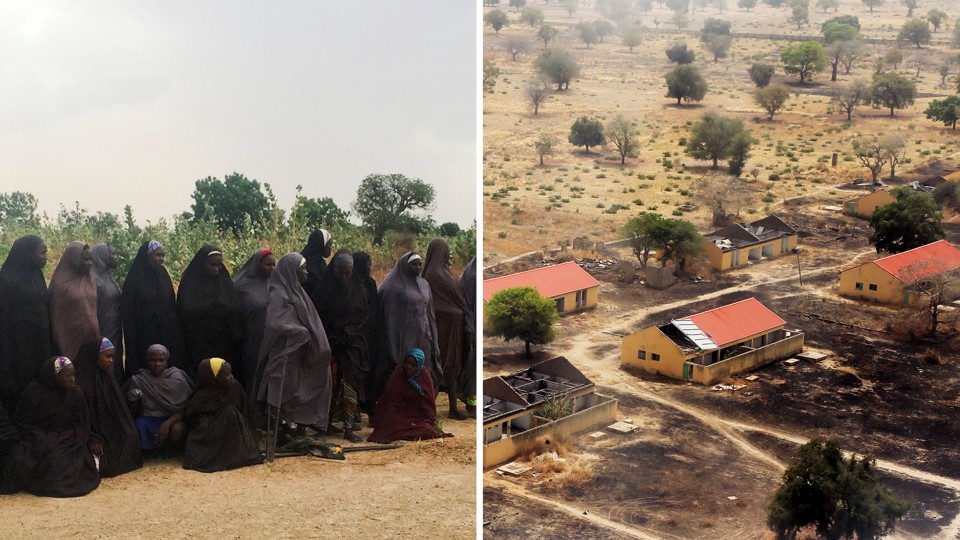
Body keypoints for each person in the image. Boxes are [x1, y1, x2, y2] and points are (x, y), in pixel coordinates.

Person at [256, 253, 332, 433]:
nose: (306, 273)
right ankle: (285, 428)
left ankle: (298, 423)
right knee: (288, 392)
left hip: (301, 353)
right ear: (291, 271)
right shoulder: (278, 294)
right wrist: (300, 332)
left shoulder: (297, 290)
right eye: (302, 269)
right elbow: (275, 323)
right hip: (286, 354)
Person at [3, 357, 100, 497]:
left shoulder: (75, 393)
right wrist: (42, 438)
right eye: (68, 375)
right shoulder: (34, 393)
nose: (72, 379)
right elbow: (22, 423)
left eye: (74, 375)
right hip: (37, 437)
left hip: (67, 437)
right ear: (55, 376)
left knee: (58, 461)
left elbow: (82, 422)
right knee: (20, 459)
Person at [369, 252, 441, 415]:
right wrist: (392, 342)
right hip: (402, 337)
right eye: (413, 264)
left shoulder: (424, 284)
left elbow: (429, 312)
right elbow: (388, 316)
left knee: (421, 372)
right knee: (401, 372)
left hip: (422, 335)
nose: (417, 268)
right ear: (404, 265)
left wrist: (431, 336)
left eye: (419, 264)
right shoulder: (393, 287)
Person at [316, 250, 369, 442]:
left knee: (350, 385)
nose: (344, 277)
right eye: (341, 273)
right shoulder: (325, 291)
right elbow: (320, 318)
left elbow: (363, 316)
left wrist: (351, 332)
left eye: (348, 273)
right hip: (331, 344)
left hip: (352, 345)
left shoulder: (359, 290)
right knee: (330, 385)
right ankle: (325, 424)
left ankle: (348, 426)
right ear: (334, 270)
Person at [74, 337, 142, 477]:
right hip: (89, 432)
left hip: (107, 427)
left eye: (113, 357)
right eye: (107, 357)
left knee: (130, 436)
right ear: (94, 356)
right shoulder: (79, 382)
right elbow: (76, 416)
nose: (111, 361)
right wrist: (91, 437)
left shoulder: (107, 376)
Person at [0, 235, 52, 413]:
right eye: (42, 252)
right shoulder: (7, 281)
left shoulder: (36, 275)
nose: (46, 256)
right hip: (17, 348)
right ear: (27, 254)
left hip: (39, 345)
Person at [182, 358, 262, 473]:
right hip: (208, 434)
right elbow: (191, 418)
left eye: (230, 373)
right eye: (227, 375)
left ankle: (235, 456)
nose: (231, 377)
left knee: (231, 413)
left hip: (233, 434)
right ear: (213, 378)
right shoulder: (202, 395)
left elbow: (245, 413)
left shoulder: (235, 388)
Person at [421, 238, 471, 420]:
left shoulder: (441, 273)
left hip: (451, 329)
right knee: (439, 366)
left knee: (451, 367)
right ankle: (430, 409)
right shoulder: (434, 275)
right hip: (440, 330)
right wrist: (455, 312)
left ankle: (452, 408)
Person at [177, 244, 242, 379]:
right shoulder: (190, 282)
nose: (216, 269)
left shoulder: (224, 282)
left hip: (223, 340)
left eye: (219, 265)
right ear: (202, 264)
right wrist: (212, 308)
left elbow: (234, 307)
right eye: (212, 265)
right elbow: (186, 310)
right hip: (199, 341)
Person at [121, 240, 185, 378]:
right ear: (147, 256)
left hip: (165, 332)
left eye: (163, 255)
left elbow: (170, 304)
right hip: (143, 334)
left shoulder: (163, 275)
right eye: (158, 255)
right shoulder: (135, 279)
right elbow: (129, 312)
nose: (161, 259)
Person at [368, 348, 451, 444]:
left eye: (413, 365)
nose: (408, 367)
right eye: (406, 363)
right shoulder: (398, 374)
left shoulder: (423, 376)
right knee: (390, 428)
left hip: (416, 417)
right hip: (396, 415)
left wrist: (428, 420)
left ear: (419, 366)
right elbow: (390, 401)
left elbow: (428, 404)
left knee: (426, 429)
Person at [123, 344, 192, 451]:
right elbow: (133, 403)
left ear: (167, 361)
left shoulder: (178, 379)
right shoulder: (140, 381)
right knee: (137, 426)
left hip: (172, 418)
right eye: (153, 360)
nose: (157, 364)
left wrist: (167, 424)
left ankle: (171, 452)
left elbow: (185, 407)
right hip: (149, 418)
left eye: (161, 360)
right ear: (147, 361)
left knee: (177, 429)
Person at [233, 249, 276, 391]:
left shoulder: (274, 284)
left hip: (271, 338)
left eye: (273, 264)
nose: (271, 268)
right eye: (268, 264)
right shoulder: (241, 285)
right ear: (257, 265)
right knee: (253, 373)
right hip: (251, 338)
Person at [48, 241, 100, 361]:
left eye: (91, 259)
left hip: (91, 338)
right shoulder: (60, 284)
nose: (90, 264)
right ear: (75, 259)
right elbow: (56, 318)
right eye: (86, 260)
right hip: (69, 342)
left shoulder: (90, 280)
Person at [90, 243, 125, 382]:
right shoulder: (93, 278)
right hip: (103, 326)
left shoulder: (108, 276)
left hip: (114, 326)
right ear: (103, 256)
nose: (116, 257)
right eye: (112, 254)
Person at [459, 256, 477, 417]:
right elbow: (467, 306)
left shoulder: (472, 273)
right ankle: (472, 405)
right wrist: (469, 328)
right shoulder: (472, 276)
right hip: (471, 327)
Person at [301, 228, 332, 303]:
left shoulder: (301, 259)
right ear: (321, 243)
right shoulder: (303, 264)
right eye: (330, 244)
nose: (331, 248)